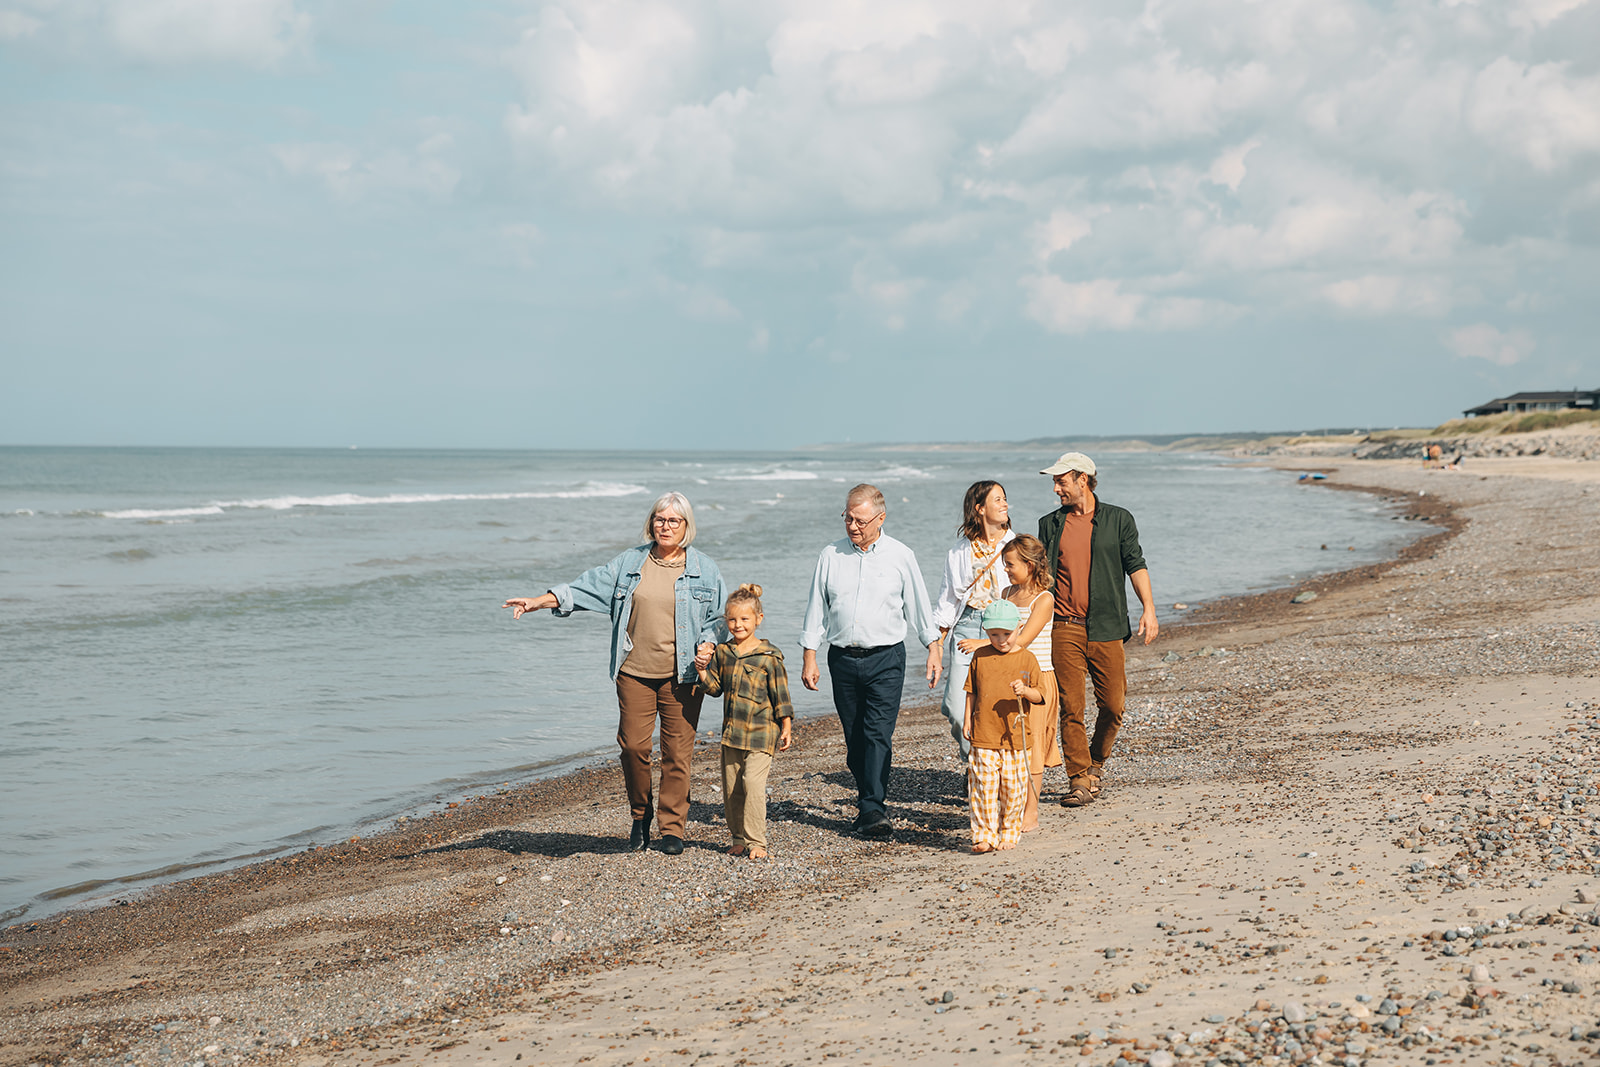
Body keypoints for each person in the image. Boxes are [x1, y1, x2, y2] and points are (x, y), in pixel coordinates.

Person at [502, 492, 725, 856]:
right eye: (659, 519)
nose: (665, 526)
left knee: (677, 753)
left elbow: (718, 619)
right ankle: (641, 815)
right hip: (634, 671)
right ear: (650, 522)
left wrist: (708, 644)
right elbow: (584, 588)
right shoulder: (630, 562)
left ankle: (672, 828)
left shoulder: (704, 568)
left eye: (673, 521)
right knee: (634, 747)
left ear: (686, 526)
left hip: (683, 676)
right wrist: (537, 602)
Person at [799, 483, 942, 838]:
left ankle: (873, 808)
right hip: (842, 659)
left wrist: (933, 648)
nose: (852, 525)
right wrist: (809, 655)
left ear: (880, 518)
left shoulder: (900, 555)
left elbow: (919, 606)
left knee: (877, 734)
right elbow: (816, 607)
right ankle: (869, 799)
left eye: (860, 520)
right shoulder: (830, 555)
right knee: (854, 738)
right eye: (848, 517)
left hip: (886, 658)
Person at [1037, 453, 1157, 809]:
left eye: (1062, 481)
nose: (1056, 488)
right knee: (1071, 707)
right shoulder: (1049, 524)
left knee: (1113, 705)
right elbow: (1040, 576)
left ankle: (1095, 763)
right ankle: (1078, 780)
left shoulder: (1119, 519)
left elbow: (1135, 564)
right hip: (1064, 626)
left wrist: (1149, 609)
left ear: (1083, 479)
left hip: (1106, 626)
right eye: (1055, 482)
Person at [956, 535, 1063, 830]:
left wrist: (981, 644)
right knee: (1005, 740)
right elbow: (999, 630)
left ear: (1029, 565)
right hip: (1004, 674)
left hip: (1037, 676)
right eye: (1005, 564)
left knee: (1033, 745)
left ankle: (1031, 810)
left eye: (1011, 564)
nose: (1006, 570)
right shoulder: (1006, 593)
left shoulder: (1044, 599)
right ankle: (1008, 803)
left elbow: (1024, 639)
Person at [697, 583, 794, 860]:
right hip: (732, 733)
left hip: (763, 732)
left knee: (753, 783)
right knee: (732, 789)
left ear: (758, 620)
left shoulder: (770, 656)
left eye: (744, 619)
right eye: (732, 619)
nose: (737, 625)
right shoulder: (724, 653)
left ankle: (757, 841)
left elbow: (781, 694)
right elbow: (715, 689)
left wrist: (786, 726)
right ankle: (738, 837)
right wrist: (702, 672)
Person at [933, 481, 1015, 759]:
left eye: (1005, 499)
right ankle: (976, 760)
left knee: (996, 705)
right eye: (997, 500)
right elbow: (947, 601)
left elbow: (1024, 594)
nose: (1005, 504)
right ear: (979, 509)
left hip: (1003, 629)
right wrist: (936, 647)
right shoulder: (959, 551)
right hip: (966, 626)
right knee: (956, 707)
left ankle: (989, 771)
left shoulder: (1015, 545)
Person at [962, 599, 1044, 853]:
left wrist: (1026, 690)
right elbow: (971, 692)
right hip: (984, 733)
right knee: (982, 786)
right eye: (994, 634)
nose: (1001, 640)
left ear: (1018, 628)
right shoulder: (980, 656)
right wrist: (967, 720)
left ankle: (1009, 831)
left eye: (1007, 634)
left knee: (1013, 787)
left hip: (1015, 738)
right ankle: (984, 835)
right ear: (986, 632)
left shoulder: (1028, 659)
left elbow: (1040, 696)